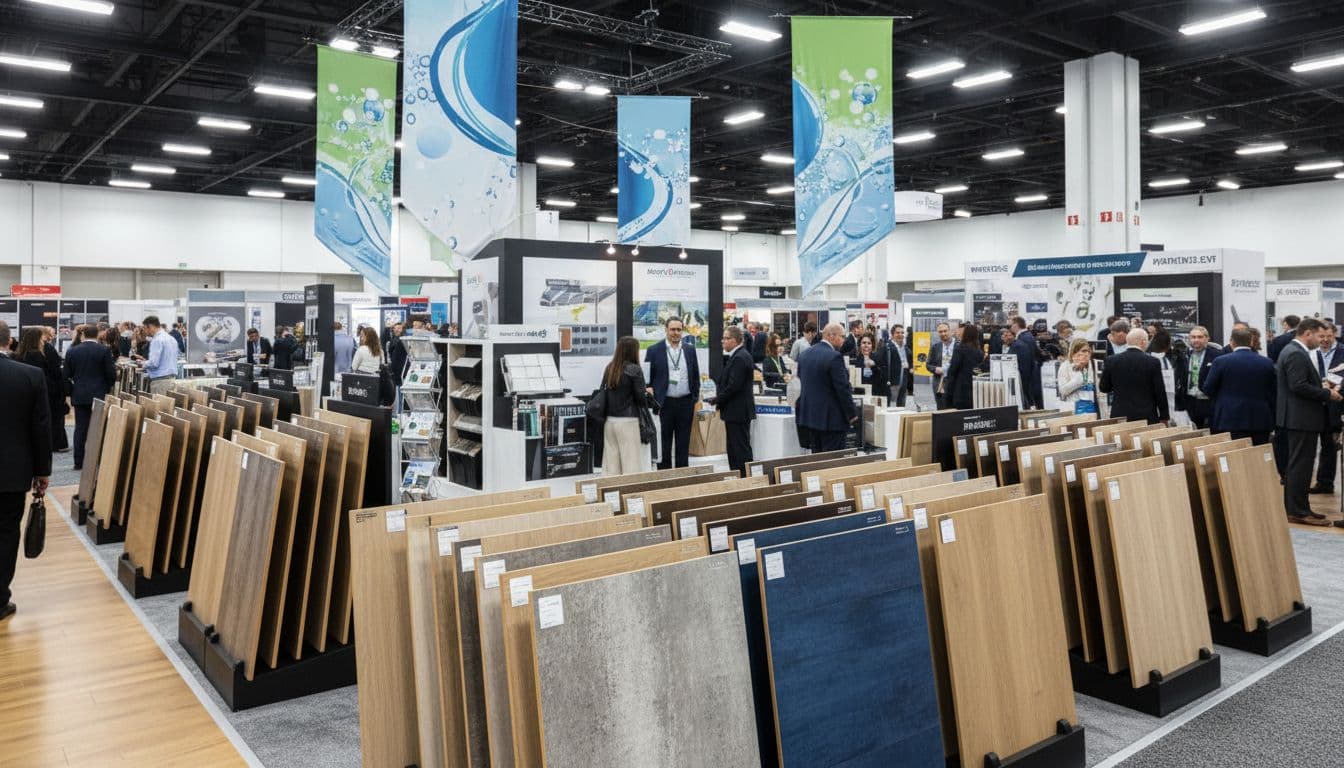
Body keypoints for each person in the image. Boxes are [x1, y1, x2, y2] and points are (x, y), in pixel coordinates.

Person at [0, 320, 52, 622]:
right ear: (10, 342)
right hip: (12, 472)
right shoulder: (30, 376)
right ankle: (0, 599)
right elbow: (40, 428)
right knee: (7, 534)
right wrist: (42, 471)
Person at [1275, 317, 1338, 526]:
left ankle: (1300, 507)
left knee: (1300, 465)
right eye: (1319, 336)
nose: (1322, 340)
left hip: (1300, 417)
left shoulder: (1295, 351)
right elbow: (1298, 385)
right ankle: (1297, 511)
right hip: (1300, 418)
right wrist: (1326, 394)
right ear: (1308, 333)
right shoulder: (1295, 352)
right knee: (1300, 466)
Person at [1203, 328, 1276, 446]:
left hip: (1228, 418)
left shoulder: (1221, 361)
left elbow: (1208, 389)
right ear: (1251, 341)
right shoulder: (1267, 363)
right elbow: (1273, 392)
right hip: (1260, 419)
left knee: (1232, 454)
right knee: (1257, 454)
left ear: (1232, 341)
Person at [644, 317, 700, 470]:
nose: (676, 333)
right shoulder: (654, 350)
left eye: (679, 330)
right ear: (666, 330)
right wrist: (650, 392)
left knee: (683, 443)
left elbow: (695, 375)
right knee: (664, 443)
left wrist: (694, 397)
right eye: (672, 329)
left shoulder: (689, 350)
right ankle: (666, 477)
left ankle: (682, 477)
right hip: (664, 404)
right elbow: (647, 378)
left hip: (685, 403)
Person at [63, 324, 116, 471]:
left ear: (83, 335)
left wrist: (71, 392)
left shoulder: (72, 351)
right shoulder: (104, 350)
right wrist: (107, 388)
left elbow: (65, 375)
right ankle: (97, 460)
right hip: (99, 394)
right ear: (97, 335)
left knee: (80, 428)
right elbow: (111, 374)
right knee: (98, 428)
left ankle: (78, 462)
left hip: (79, 394)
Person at [797, 324, 858, 452]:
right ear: (831, 336)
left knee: (817, 458)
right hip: (832, 420)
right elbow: (842, 388)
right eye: (842, 337)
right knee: (832, 460)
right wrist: (851, 414)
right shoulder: (834, 357)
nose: (843, 341)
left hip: (811, 418)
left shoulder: (805, 355)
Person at [600, 337, 652, 475]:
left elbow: (602, 391)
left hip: (610, 422)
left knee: (611, 467)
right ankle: (630, 490)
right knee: (631, 466)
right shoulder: (634, 370)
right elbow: (641, 398)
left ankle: (612, 489)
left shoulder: (610, 368)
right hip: (629, 422)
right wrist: (647, 393)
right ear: (634, 351)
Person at [1100, 328, 1169, 424]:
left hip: (1120, 415)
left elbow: (1104, 388)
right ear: (1143, 342)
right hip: (1146, 416)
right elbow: (1159, 391)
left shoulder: (1111, 360)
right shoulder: (1153, 362)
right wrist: (1164, 416)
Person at [714, 327, 756, 473]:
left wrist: (717, 399)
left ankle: (744, 479)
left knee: (739, 450)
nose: (723, 341)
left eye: (726, 338)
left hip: (737, 411)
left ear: (736, 340)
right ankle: (738, 477)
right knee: (734, 449)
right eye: (723, 338)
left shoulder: (740, 357)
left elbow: (734, 386)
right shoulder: (738, 355)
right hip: (735, 411)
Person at [1312, 323, 1343, 495]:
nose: (1325, 340)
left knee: (1330, 446)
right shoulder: (1311, 353)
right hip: (1313, 405)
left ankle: (1325, 482)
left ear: (1335, 334)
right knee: (1310, 446)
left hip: (1336, 406)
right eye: (1321, 336)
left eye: (1329, 336)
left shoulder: (1343, 352)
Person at [1177, 326, 1221, 428]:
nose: (1196, 340)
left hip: (1209, 401)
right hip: (1190, 401)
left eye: (1200, 337)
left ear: (1207, 338)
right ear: (1189, 339)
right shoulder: (1183, 355)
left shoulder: (1217, 355)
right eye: (1193, 337)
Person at [40, 327, 69, 452]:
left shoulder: (36, 349)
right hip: (53, 388)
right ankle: (58, 443)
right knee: (56, 418)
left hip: (47, 387)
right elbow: (56, 369)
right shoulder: (48, 348)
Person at [944, 324, 984, 409]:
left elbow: (953, 371)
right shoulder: (979, 351)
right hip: (974, 388)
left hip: (960, 388)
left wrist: (948, 391)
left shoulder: (960, 349)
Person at [1057, 339, 1102, 415]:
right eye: (1083, 351)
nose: (1086, 354)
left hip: (1094, 409)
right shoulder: (1065, 366)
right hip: (1074, 409)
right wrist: (1078, 376)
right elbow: (1063, 391)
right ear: (1074, 353)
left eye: (1088, 351)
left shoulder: (1095, 365)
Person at [1009, 317, 1045, 409]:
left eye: (1011, 325)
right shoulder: (1027, 336)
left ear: (1016, 325)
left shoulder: (1024, 338)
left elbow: (1025, 364)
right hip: (1032, 377)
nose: (1010, 327)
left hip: (1028, 379)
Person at [139, 316, 178, 395]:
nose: (145, 331)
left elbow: (154, 363)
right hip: (171, 380)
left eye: (145, 328)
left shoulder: (157, 340)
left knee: (159, 403)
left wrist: (143, 363)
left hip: (160, 382)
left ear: (150, 326)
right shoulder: (171, 339)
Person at [882, 324, 912, 406]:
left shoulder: (905, 348)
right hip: (891, 381)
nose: (900, 335)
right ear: (892, 335)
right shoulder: (887, 347)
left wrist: (910, 367)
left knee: (901, 403)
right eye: (897, 333)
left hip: (903, 379)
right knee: (890, 404)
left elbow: (910, 361)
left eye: (902, 333)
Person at [927, 322, 955, 409]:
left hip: (955, 383)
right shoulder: (935, 347)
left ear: (950, 331)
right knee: (941, 409)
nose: (943, 334)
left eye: (945, 331)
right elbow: (928, 365)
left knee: (954, 410)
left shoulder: (959, 346)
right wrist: (935, 369)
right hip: (939, 383)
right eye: (940, 332)